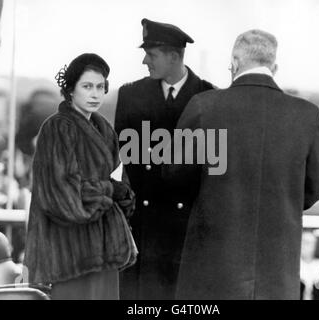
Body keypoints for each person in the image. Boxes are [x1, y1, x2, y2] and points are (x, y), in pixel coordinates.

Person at [165, 29, 319, 299]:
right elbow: (313, 189)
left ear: (235, 61)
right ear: (274, 67)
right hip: (277, 274)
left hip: (212, 271)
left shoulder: (203, 107)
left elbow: (174, 176)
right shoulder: (308, 116)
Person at [114, 18, 215, 300]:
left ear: (174, 56)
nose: (145, 61)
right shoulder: (131, 95)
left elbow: (212, 168)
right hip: (142, 229)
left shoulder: (209, 96)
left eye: (152, 54)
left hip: (185, 232)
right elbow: (123, 158)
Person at [23, 53, 137, 300]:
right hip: (71, 252)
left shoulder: (104, 128)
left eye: (100, 87)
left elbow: (117, 179)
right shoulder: (56, 128)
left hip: (104, 250)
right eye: (87, 86)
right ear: (71, 90)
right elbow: (61, 197)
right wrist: (109, 191)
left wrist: (121, 192)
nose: (95, 94)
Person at [300, 231, 319, 300]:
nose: (303, 246)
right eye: (302, 242)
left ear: (315, 246)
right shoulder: (295, 266)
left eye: (307, 243)